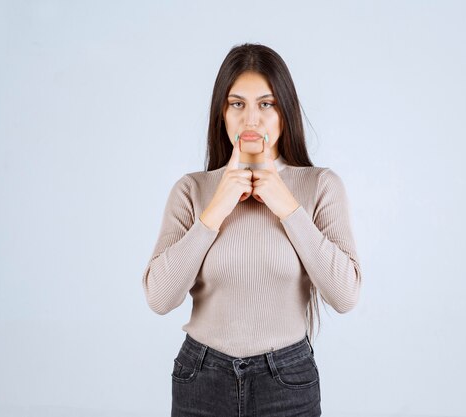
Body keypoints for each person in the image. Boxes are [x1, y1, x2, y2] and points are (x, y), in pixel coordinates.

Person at [141, 43, 362, 417]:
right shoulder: (192, 190)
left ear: (285, 112)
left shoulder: (320, 185)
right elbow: (160, 298)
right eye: (237, 104)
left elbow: (345, 295)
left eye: (266, 103)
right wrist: (215, 211)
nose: (251, 120)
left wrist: (287, 207)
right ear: (222, 114)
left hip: (286, 380)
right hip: (201, 378)